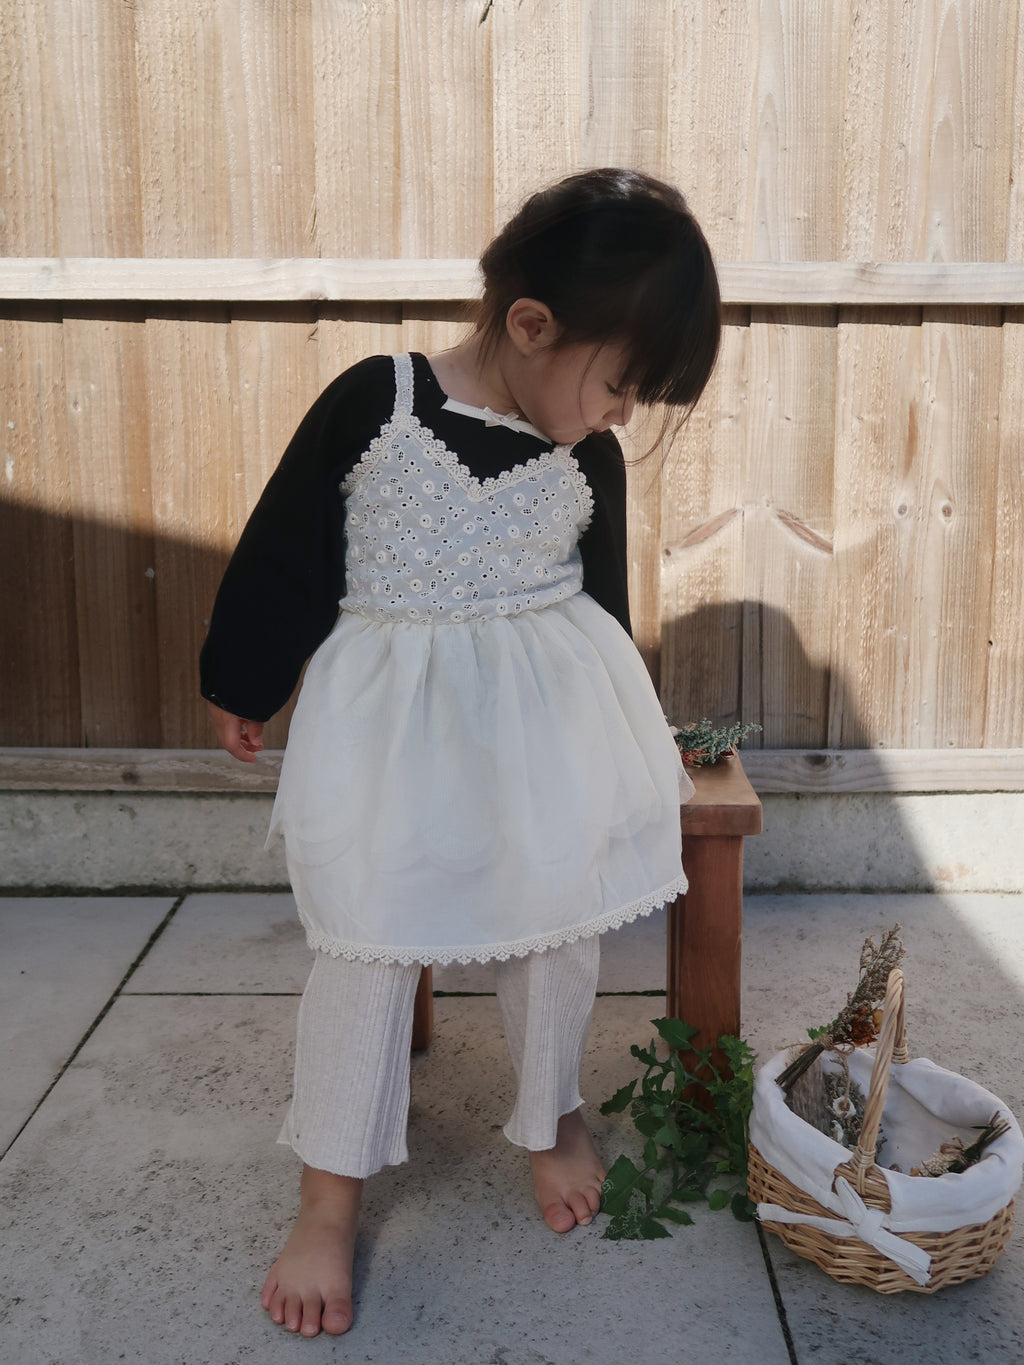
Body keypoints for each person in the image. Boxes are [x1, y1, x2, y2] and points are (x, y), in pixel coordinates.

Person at [200, 167, 721, 1338]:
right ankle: (329, 1194)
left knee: (562, 918)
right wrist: (245, 677)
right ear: (531, 327)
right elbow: (288, 544)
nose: (623, 413)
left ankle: (549, 1114)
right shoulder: (374, 402)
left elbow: (605, 593)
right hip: (392, 737)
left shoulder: (586, 455)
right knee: (367, 942)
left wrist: (630, 726)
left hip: (545, 725)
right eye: (621, 384)